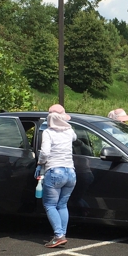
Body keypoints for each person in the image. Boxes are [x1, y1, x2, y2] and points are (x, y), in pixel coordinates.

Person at [36, 104, 77, 248]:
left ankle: (59, 235)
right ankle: (62, 234)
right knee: (62, 205)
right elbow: (75, 137)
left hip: (55, 172)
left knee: (50, 204)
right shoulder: (69, 131)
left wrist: (40, 164)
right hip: (70, 173)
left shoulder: (47, 132)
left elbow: (45, 152)